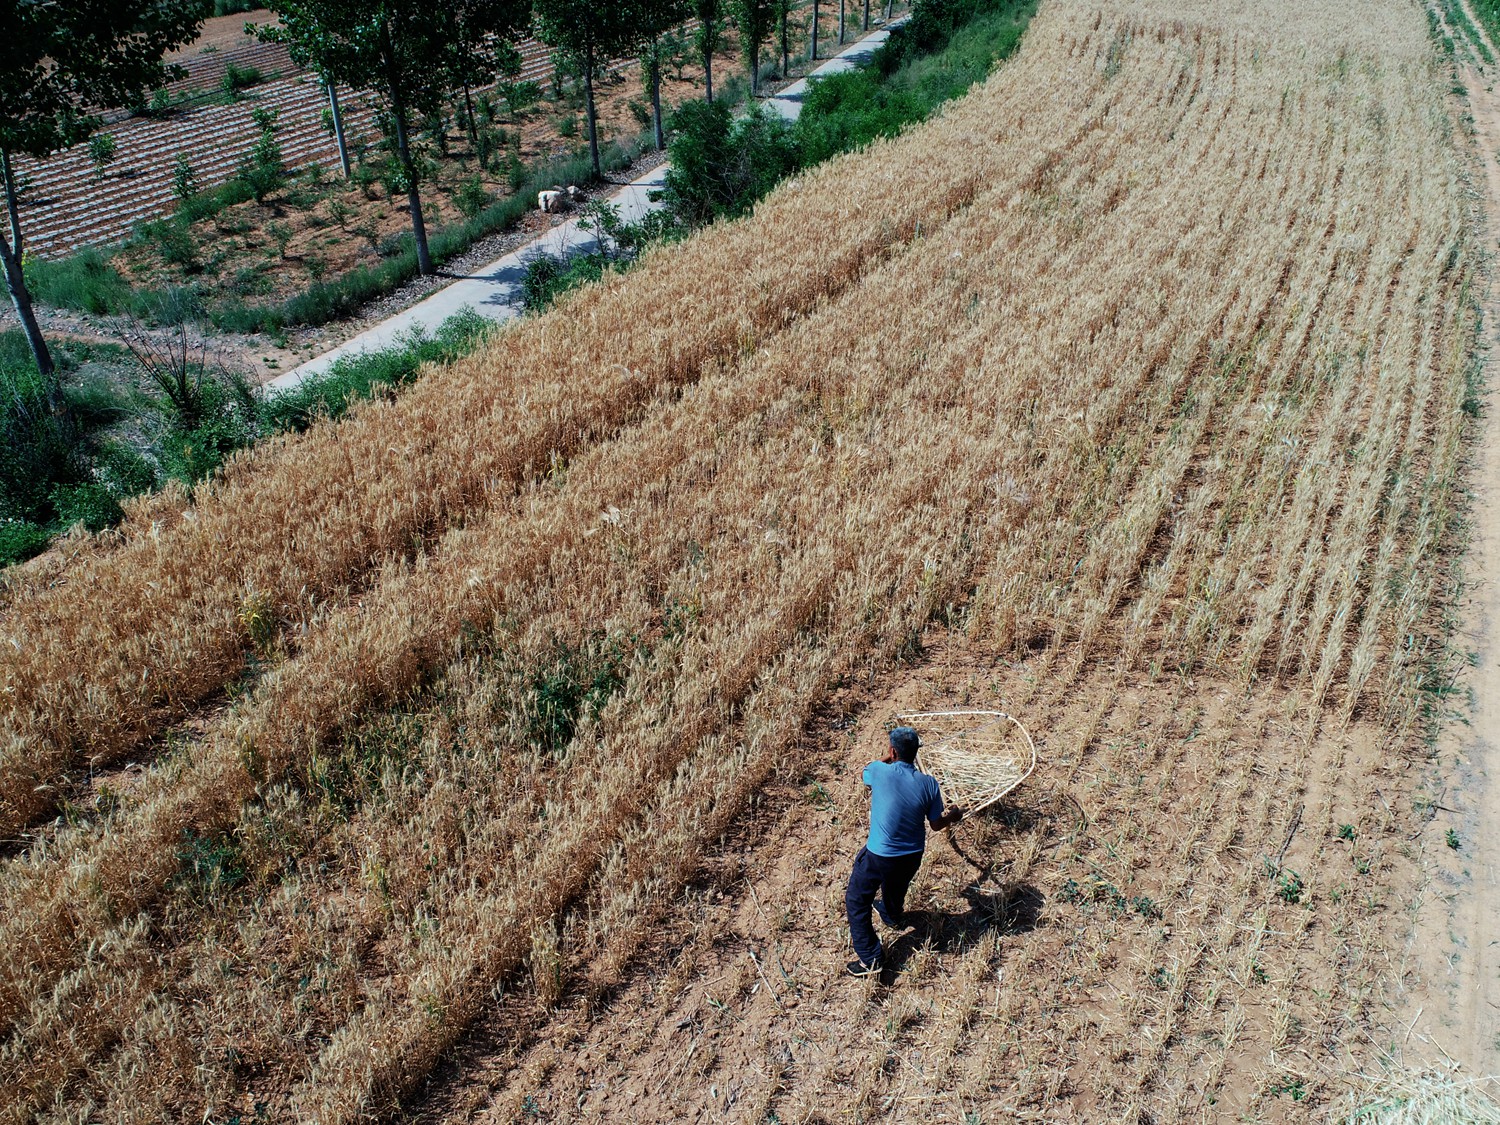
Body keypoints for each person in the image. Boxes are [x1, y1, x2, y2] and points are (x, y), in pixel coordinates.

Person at [844, 725, 964, 977]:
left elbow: (864, 772)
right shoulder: (929, 784)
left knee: (857, 900)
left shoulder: (878, 771)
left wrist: (889, 756)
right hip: (911, 855)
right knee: (897, 886)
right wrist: (953, 815)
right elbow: (935, 824)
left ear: (892, 752)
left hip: (878, 856)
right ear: (917, 753)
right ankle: (891, 913)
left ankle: (870, 958)